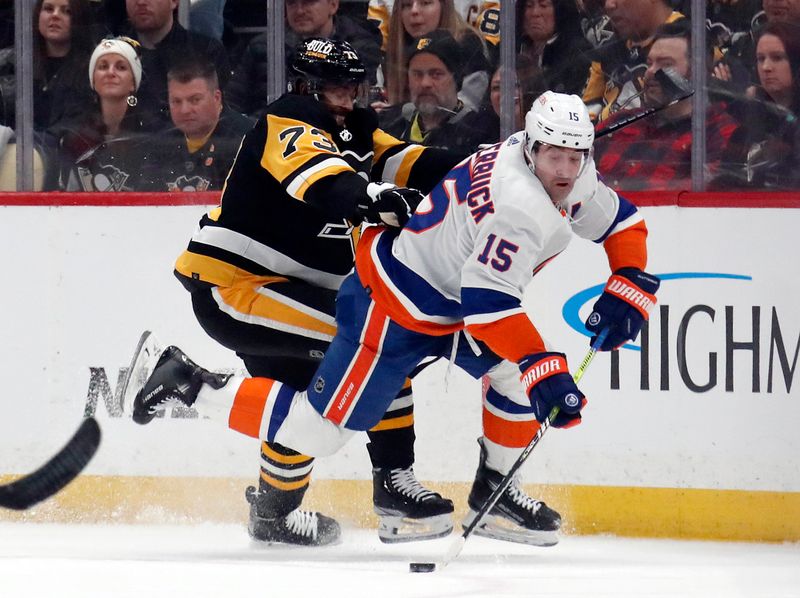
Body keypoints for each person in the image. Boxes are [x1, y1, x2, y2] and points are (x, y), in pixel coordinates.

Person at [122, 89, 661, 548]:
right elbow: (489, 304)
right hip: (395, 306)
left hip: (444, 303)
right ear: (532, 146)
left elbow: (620, 220)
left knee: (510, 373)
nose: (566, 171)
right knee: (324, 432)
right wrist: (544, 365)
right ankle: (190, 386)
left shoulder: (549, 166)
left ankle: (492, 495)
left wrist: (629, 281)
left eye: (575, 156)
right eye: (556, 157)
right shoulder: (518, 206)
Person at [124, 38, 475, 547]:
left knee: (303, 396)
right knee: (383, 339)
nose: (348, 94)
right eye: (336, 85)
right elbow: (325, 182)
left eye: (352, 84)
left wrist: (489, 164)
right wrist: (374, 198)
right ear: (306, 86)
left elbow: (409, 161)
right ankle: (392, 485)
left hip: (284, 293)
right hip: (239, 288)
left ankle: (273, 515)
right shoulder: (286, 122)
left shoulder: (353, 126)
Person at [593, 21, 737, 190]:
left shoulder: (717, 131)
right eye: (650, 63)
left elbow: (709, 194)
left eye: (666, 64)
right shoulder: (618, 123)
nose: (651, 72)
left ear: (698, 71)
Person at [224, 0, 383, 119]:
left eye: (308, 1)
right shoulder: (263, 46)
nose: (299, 10)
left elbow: (361, 105)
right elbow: (232, 105)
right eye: (292, 3)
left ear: (333, 4)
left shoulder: (360, 47)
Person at [138, 58, 254, 191]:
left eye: (195, 100)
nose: (185, 110)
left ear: (216, 98)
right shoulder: (161, 143)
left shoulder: (248, 140)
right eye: (176, 101)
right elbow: (146, 198)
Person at [54, 36, 151, 191]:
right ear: (93, 79)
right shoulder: (74, 138)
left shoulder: (149, 135)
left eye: (121, 67)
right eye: (103, 66)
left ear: (133, 82)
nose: (110, 73)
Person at [714, 21, 800, 189]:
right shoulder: (748, 119)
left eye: (777, 58)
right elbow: (724, 181)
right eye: (761, 59)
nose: (766, 67)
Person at [379, 29, 490, 152]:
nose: (425, 83)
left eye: (436, 74)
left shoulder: (479, 133)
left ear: (456, 78)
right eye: (417, 74)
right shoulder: (388, 124)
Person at [124, 0, 230, 125]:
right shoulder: (111, 58)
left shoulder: (206, 52)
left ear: (174, 1)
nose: (141, 2)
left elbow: (222, 116)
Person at [582, 0, 685, 122]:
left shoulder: (692, 40)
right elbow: (585, 116)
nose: (608, 5)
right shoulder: (606, 51)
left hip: (665, 137)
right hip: (607, 137)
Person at [0, 0, 95, 129]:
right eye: (48, 9)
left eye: (67, 11)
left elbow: (76, 129)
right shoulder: (7, 63)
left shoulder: (91, 71)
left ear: (79, 18)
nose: (55, 15)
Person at [381, 0, 491, 110]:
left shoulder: (467, 45)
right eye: (406, 5)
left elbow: (463, 111)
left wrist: (397, 113)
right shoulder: (396, 51)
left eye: (425, 3)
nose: (414, 11)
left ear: (444, 7)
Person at [516, 0, 592, 97]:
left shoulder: (579, 54)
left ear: (560, 11)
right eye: (529, 6)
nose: (535, 13)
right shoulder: (511, 49)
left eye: (543, 6)